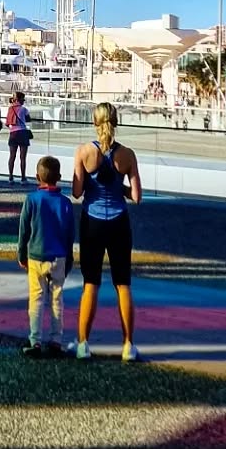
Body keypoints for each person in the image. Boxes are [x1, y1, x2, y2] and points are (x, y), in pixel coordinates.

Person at [72, 101, 143, 360]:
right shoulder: (128, 155)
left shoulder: (83, 152)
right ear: (116, 122)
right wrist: (118, 188)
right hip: (119, 223)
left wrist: (93, 185)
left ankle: (83, 344)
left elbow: (77, 192)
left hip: (92, 222)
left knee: (90, 283)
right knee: (123, 284)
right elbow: (136, 195)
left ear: (95, 122)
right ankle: (128, 346)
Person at [16, 154, 75, 357]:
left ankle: (35, 340)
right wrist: (69, 259)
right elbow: (70, 234)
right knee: (57, 299)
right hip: (59, 256)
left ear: (36, 177)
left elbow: (24, 231)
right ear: (58, 176)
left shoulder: (32, 200)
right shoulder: (65, 203)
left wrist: (21, 254)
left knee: (37, 298)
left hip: (36, 255)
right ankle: (56, 341)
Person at [5, 90, 32, 183]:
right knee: (23, 157)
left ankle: (10, 177)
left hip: (13, 133)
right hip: (22, 133)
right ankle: (23, 178)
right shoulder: (24, 109)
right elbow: (28, 119)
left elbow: (7, 123)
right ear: (20, 100)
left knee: (12, 156)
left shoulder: (10, 109)